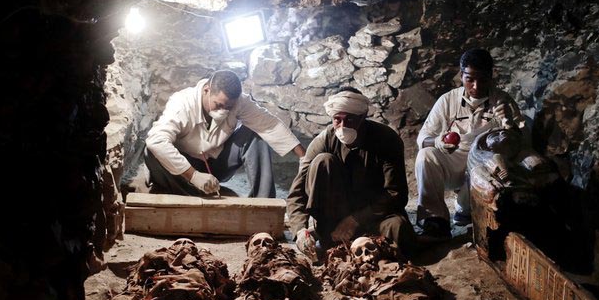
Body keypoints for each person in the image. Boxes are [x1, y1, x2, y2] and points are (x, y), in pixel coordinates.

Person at [288, 87, 416, 258]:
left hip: (375, 215)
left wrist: (356, 219)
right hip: (336, 218)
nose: (343, 126)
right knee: (322, 161)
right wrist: (299, 230)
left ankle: (364, 246)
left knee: (397, 229)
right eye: (337, 119)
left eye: (350, 119)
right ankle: (329, 239)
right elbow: (297, 192)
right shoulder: (324, 140)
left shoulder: (386, 139)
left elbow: (395, 193)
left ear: (362, 117)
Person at [414, 48, 526, 236]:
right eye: (470, 79)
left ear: (491, 77)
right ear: (461, 75)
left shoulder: (502, 101)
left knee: (494, 164)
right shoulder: (447, 100)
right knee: (425, 156)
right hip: (453, 161)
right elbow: (423, 139)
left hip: (483, 165)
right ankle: (435, 221)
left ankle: (466, 209)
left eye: (483, 79)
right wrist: (438, 141)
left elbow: (521, 143)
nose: (476, 86)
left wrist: (509, 123)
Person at [144, 70, 305, 197]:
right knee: (151, 151)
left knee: (256, 134)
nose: (224, 110)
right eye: (219, 105)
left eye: (228, 107)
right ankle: (191, 193)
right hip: (183, 170)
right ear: (206, 90)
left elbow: (269, 124)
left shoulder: (239, 102)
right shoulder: (182, 104)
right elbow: (156, 141)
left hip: (215, 166)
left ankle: (263, 203)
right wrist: (194, 176)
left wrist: (304, 157)